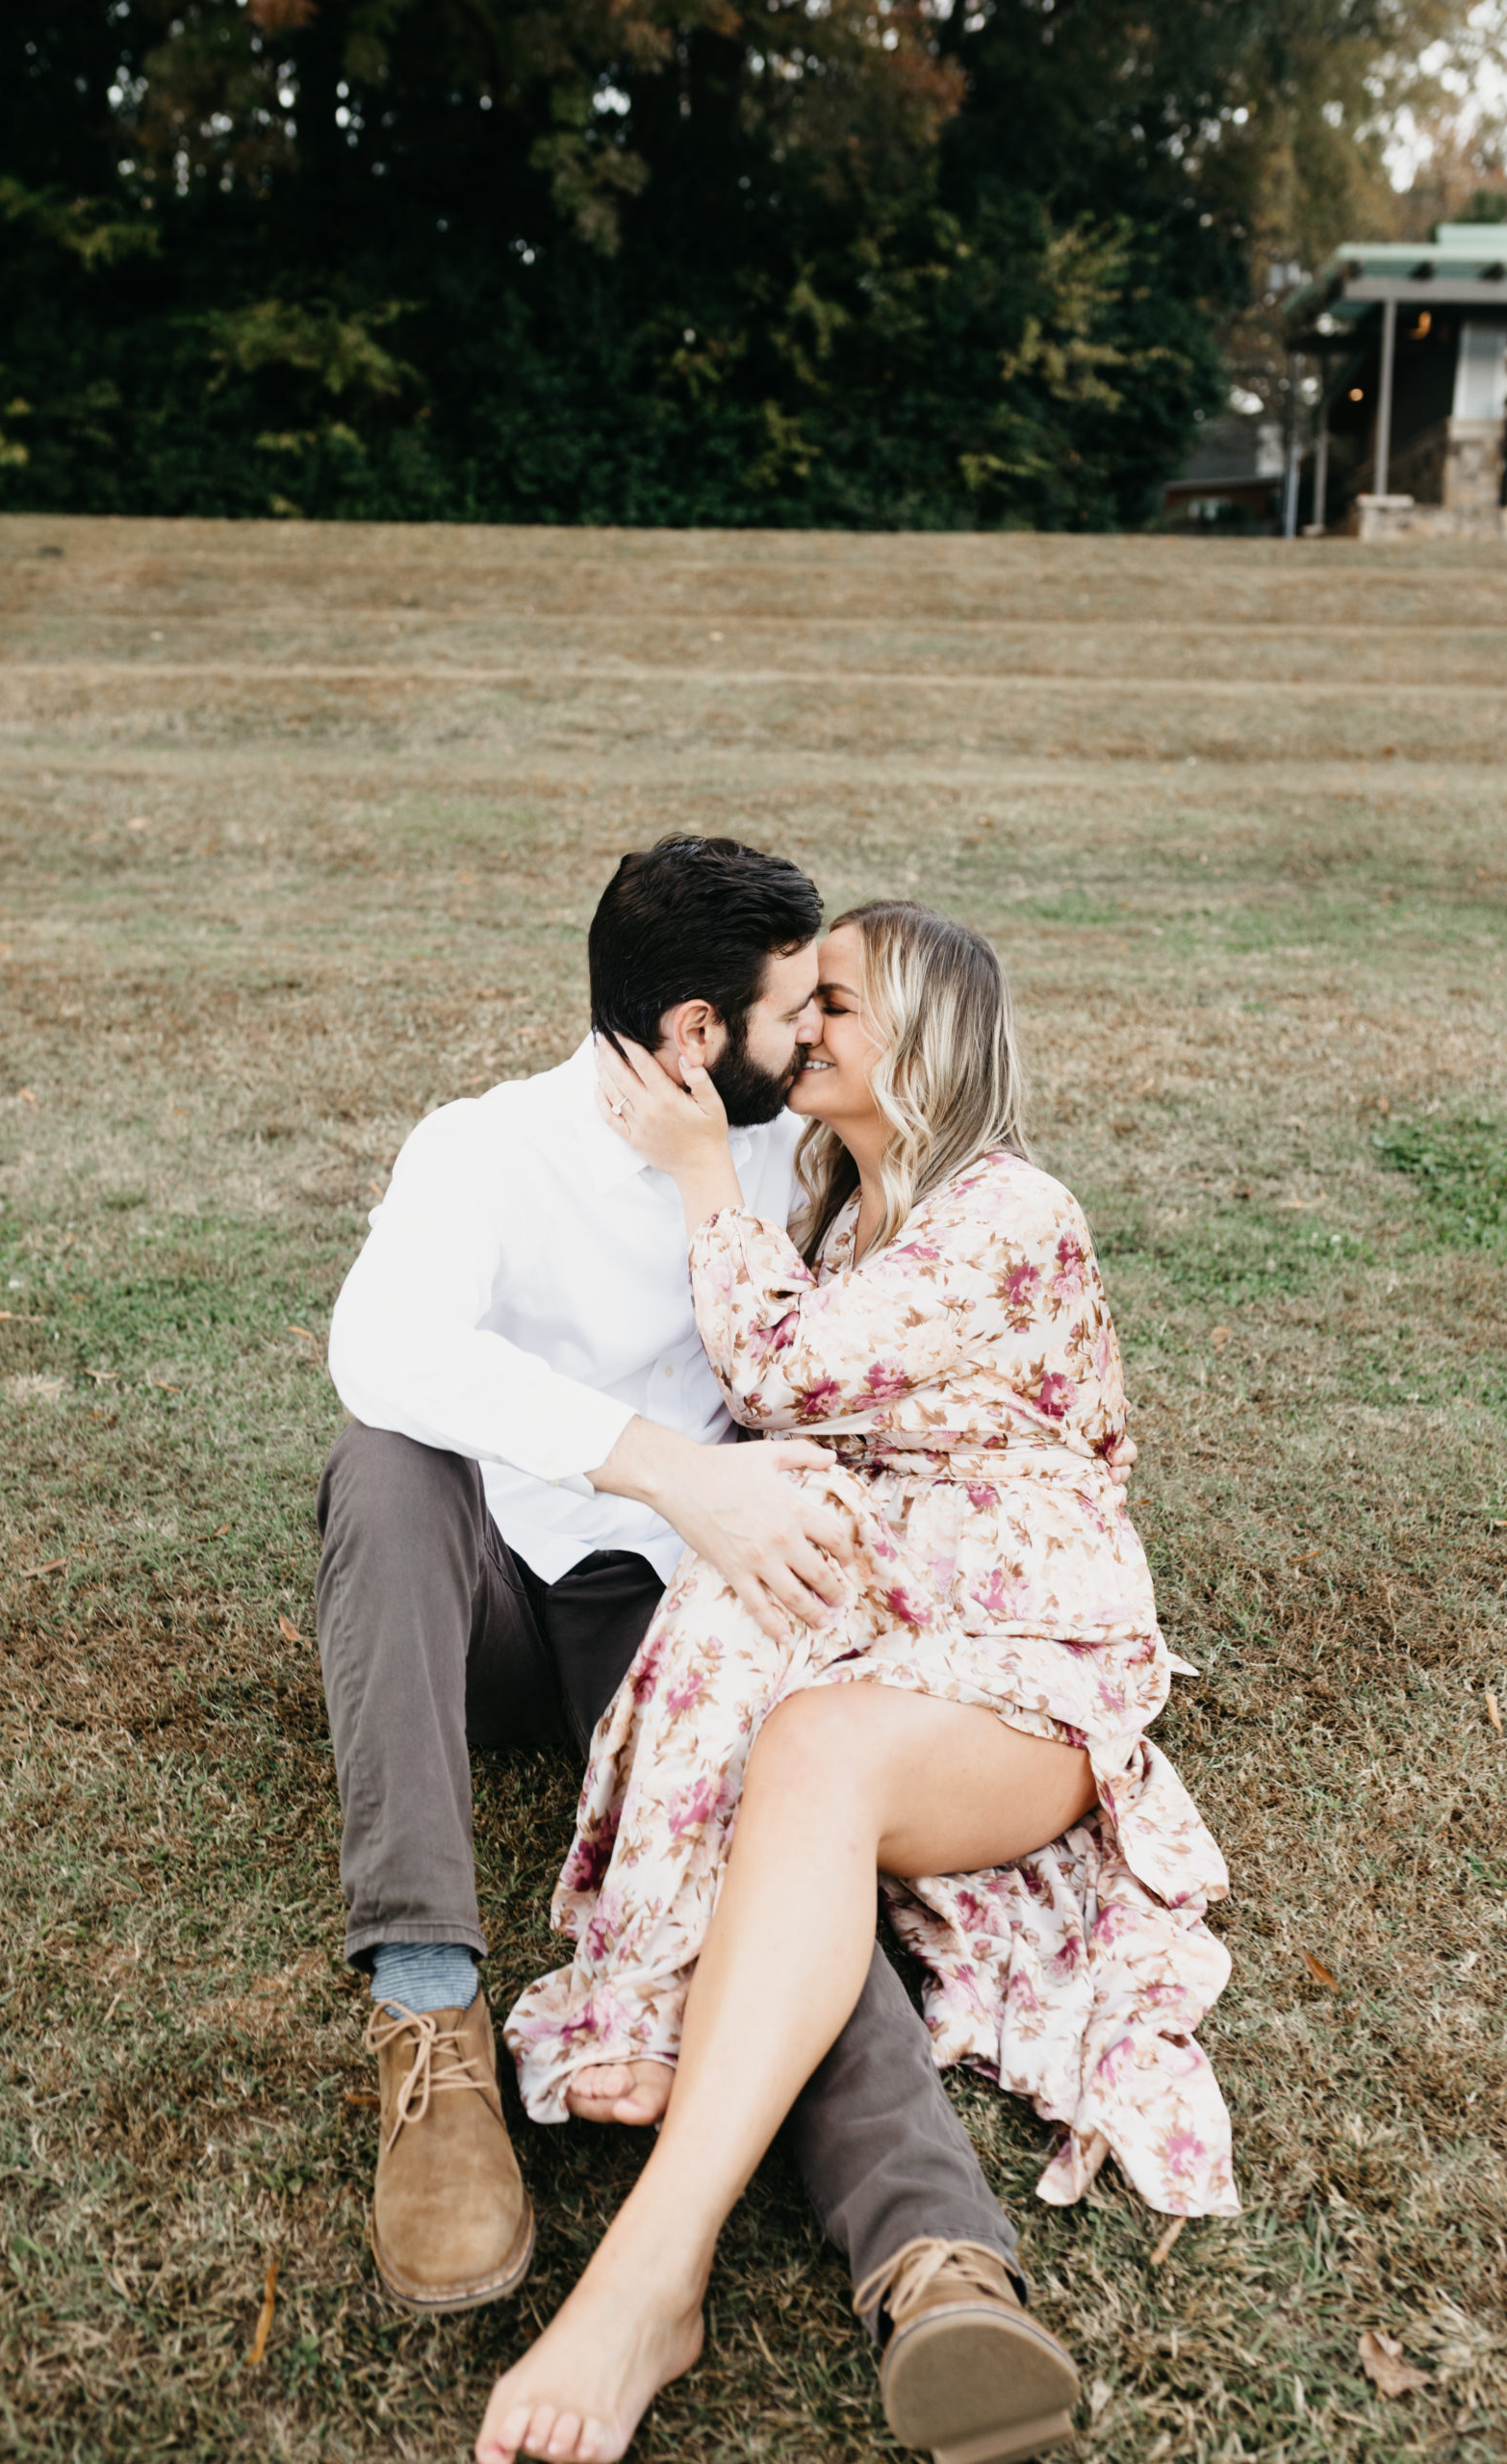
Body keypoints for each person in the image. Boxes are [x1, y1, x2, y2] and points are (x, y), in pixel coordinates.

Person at [317, 841, 1120, 2433]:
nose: (813, 1033)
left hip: (677, 1603)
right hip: (489, 1592)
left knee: (789, 1835)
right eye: (790, 1010)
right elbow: (380, 1344)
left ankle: (930, 2251)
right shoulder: (486, 1149)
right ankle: (429, 2014)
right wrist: (665, 1467)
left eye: (829, 1006)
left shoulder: (791, 1150)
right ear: (696, 1034)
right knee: (383, 1463)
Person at [481, 901, 1239, 2464]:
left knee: (814, 1741)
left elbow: (781, 1376)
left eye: (834, 1002)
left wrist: (702, 1176)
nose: (797, 1027)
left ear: (928, 1038)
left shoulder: (1010, 1211)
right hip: (889, 1632)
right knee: (763, 1672)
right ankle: (663, 2043)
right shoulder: (842, 1214)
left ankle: (650, 2275)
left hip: (1030, 1671)